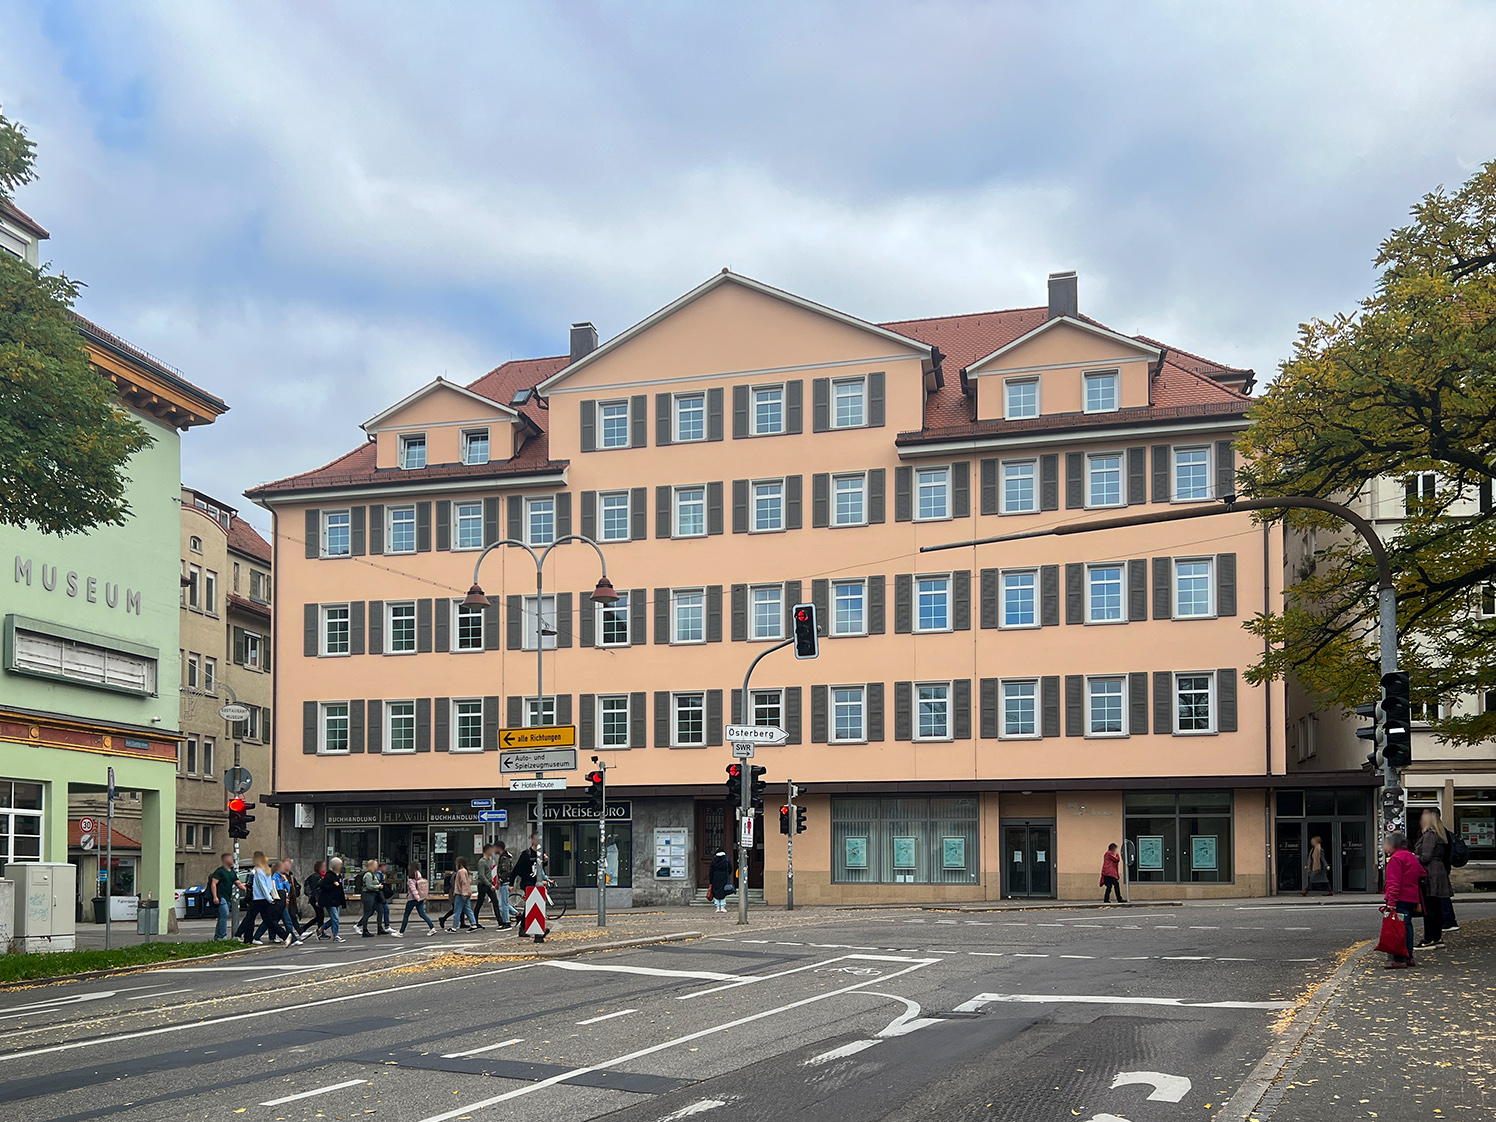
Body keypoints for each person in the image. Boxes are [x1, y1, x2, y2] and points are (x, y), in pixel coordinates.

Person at [1382, 831, 1425, 969]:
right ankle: (1409, 956)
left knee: (1398, 930)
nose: (1384, 847)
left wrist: (1391, 903)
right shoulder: (1411, 857)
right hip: (1411, 898)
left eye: (1385, 844)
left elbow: (1393, 883)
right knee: (1407, 927)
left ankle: (1400, 958)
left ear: (1392, 845)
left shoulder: (1395, 859)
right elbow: (1422, 873)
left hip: (1399, 899)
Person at [1414, 809, 1453, 947]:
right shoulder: (1440, 834)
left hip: (1430, 873)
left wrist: (1413, 857)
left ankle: (1428, 938)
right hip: (1439, 871)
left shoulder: (1429, 835)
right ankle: (1437, 937)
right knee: (1436, 907)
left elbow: (1426, 857)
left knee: (1429, 907)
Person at [242, 853, 290, 945]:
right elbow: (269, 886)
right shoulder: (267, 870)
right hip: (265, 899)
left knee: (250, 918)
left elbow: (262, 886)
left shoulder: (259, 871)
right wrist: (269, 897)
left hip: (259, 899)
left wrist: (269, 898)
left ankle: (248, 939)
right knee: (268, 920)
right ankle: (285, 935)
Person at [401, 862, 437, 935]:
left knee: (406, 915)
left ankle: (401, 932)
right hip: (421, 898)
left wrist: (417, 897)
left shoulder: (411, 880)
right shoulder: (419, 878)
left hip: (412, 899)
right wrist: (419, 897)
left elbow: (413, 890)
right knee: (422, 914)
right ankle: (432, 927)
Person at [208, 853, 237, 940]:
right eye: (230, 859)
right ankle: (222, 935)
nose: (232, 860)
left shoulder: (231, 872)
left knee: (222, 916)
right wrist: (215, 897)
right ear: (225, 860)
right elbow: (213, 884)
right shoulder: (219, 871)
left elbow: (237, 882)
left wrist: (247, 889)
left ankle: (217, 936)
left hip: (228, 897)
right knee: (225, 914)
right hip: (221, 897)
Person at [320, 858, 346, 942]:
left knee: (335, 918)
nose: (341, 866)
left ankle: (321, 929)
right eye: (339, 864)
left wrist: (342, 900)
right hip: (330, 900)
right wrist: (333, 885)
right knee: (335, 918)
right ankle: (335, 935)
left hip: (336, 900)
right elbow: (324, 887)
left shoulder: (339, 876)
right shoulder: (329, 876)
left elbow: (340, 888)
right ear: (335, 866)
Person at [475, 844, 502, 928]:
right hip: (483, 884)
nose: (492, 851)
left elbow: (489, 873)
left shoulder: (490, 860)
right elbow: (481, 875)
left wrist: (493, 883)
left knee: (495, 901)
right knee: (480, 902)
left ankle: (500, 921)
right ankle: (475, 921)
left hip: (489, 883)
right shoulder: (482, 862)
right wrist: (490, 885)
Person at [356, 859, 383, 937]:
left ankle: (380, 927)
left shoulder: (375, 874)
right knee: (367, 912)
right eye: (376, 864)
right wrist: (378, 886)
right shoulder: (368, 875)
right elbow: (369, 886)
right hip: (368, 894)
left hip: (375, 895)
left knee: (380, 910)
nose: (377, 866)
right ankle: (365, 930)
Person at [451, 857, 477, 931]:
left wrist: (463, 893)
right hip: (466, 892)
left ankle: (454, 927)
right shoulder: (465, 871)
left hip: (461, 893)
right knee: (467, 909)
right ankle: (473, 924)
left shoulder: (461, 871)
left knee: (457, 910)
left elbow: (463, 882)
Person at [493, 841, 515, 929]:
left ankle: (506, 922)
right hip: (504, 883)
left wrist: (500, 881)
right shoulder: (505, 856)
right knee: (503, 904)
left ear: (499, 848)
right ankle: (517, 914)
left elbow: (505, 872)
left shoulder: (504, 858)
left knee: (503, 905)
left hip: (505, 883)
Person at [304, 859, 327, 939]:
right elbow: (315, 889)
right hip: (315, 898)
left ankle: (304, 928)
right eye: (323, 866)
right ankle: (320, 932)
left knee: (319, 916)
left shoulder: (321, 876)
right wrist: (317, 900)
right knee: (320, 915)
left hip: (318, 898)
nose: (325, 868)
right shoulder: (315, 877)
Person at [709, 849, 733, 914]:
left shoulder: (714, 860)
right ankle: (722, 907)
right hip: (724, 876)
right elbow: (730, 868)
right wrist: (727, 874)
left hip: (715, 877)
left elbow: (711, 870)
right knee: (723, 891)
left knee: (716, 891)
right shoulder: (726, 859)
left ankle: (717, 907)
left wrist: (711, 880)